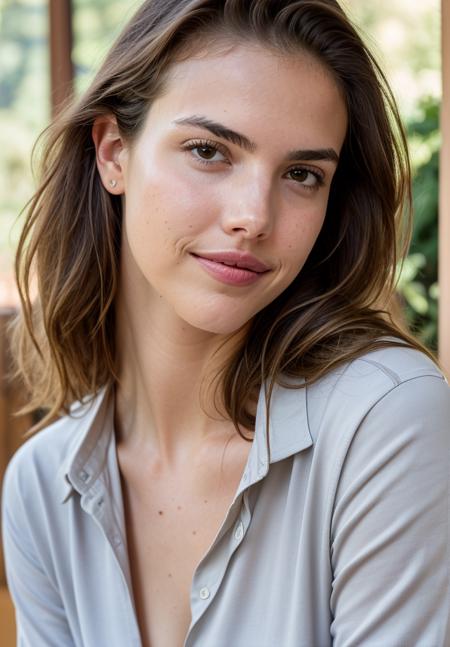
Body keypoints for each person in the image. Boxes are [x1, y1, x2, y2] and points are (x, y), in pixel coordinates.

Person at [2, 0, 449, 645]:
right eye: (209, 151)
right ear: (114, 152)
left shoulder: (383, 421)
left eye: (302, 174)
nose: (254, 216)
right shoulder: (44, 488)